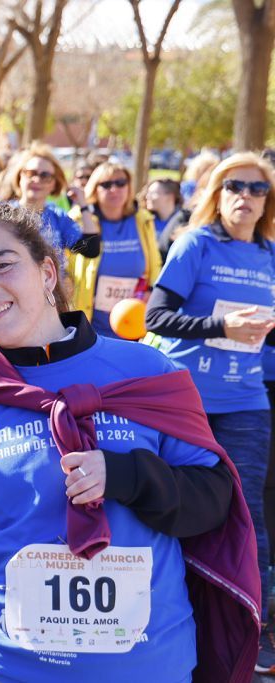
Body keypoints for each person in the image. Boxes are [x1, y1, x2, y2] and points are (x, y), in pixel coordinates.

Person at [0, 203, 238, 682]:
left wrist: (126, 475)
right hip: (3, 669)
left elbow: (212, 504)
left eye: (2, 264)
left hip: (146, 667)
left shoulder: (150, 372)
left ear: (46, 272)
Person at [144, 152, 275, 673]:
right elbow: (157, 315)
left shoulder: (270, 256)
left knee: (248, 513)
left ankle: (254, 626)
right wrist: (222, 328)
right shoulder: (196, 244)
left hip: (246, 401)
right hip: (187, 400)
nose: (246, 195)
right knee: (175, 505)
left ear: (268, 202)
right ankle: (166, 612)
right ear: (217, 194)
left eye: (257, 188)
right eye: (234, 186)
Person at [69, 162, 160, 338]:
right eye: (106, 184)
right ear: (94, 189)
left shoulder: (143, 220)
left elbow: (155, 263)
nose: (114, 189)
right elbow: (62, 263)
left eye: (120, 183)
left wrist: (150, 289)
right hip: (89, 325)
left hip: (131, 324)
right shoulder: (79, 220)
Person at [0, 143, 99, 261]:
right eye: (31, 173)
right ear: (19, 177)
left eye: (45, 175)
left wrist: (83, 205)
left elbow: (91, 250)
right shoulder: (2, 216)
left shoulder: (58, 217)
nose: (37, 179)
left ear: (54, 184)